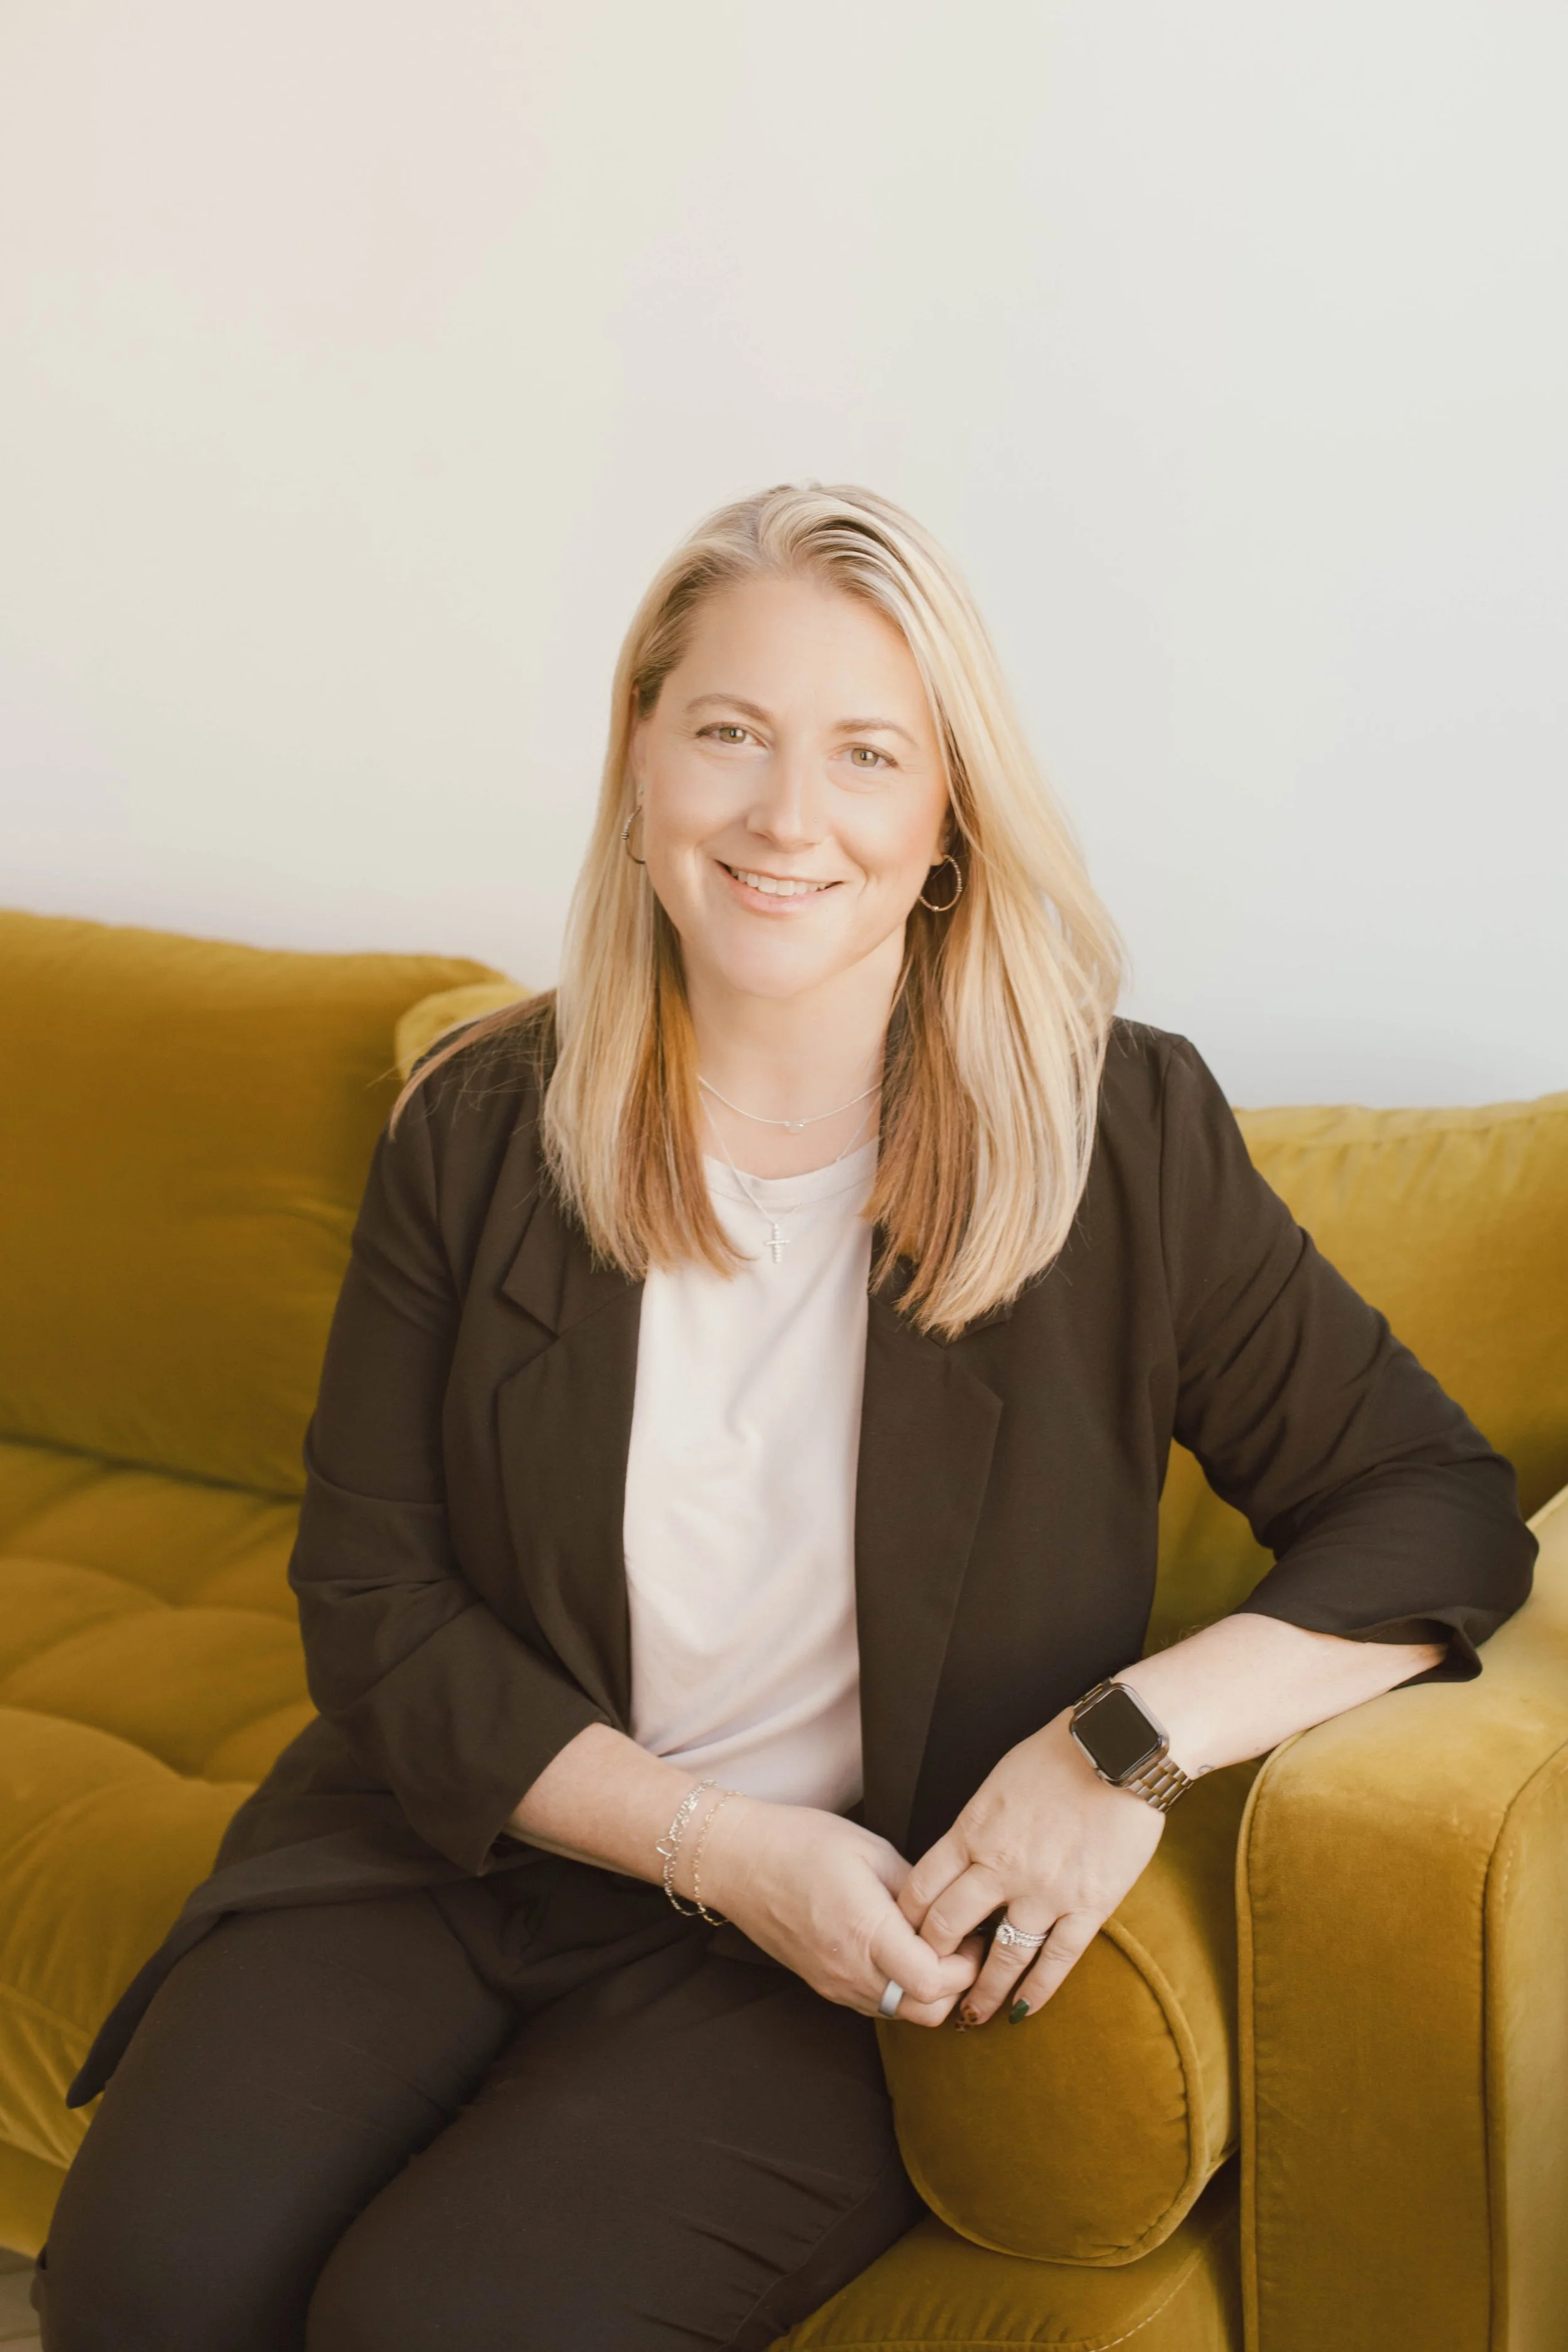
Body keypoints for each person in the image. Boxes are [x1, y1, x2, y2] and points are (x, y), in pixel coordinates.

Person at [40, 485, 1534, 2351]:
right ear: (641, 760)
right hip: (470, 1837)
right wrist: (715, 1846)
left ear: (945, 818)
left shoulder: (1117, 1137)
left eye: (865, 754)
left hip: (842, 1941)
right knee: (143, 2289)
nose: (784, 816)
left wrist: (1118, 1754)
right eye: (730, 733)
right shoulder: (483, 1123)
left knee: (440, 2324)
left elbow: (1430, 1504)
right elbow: (372, 1600)